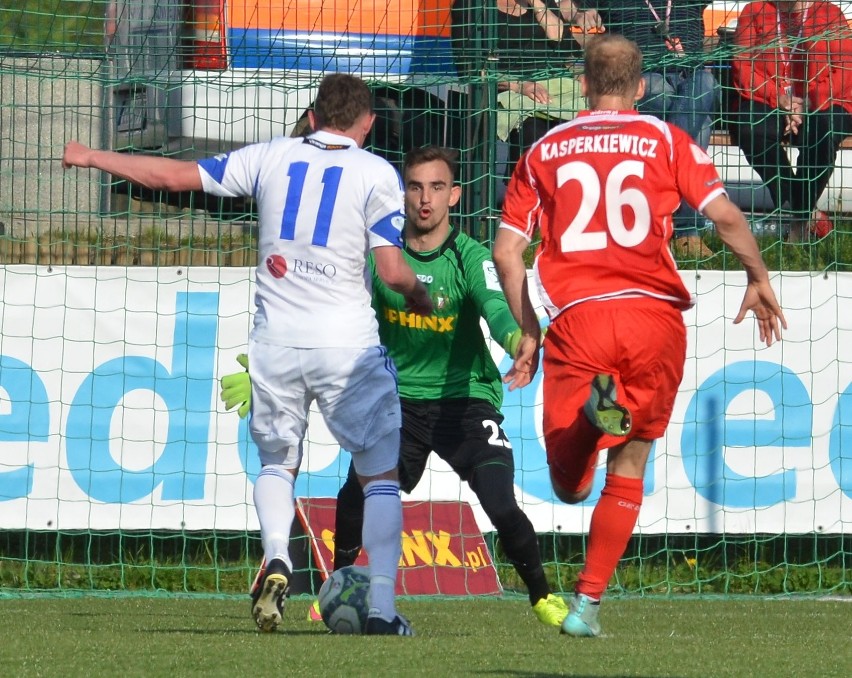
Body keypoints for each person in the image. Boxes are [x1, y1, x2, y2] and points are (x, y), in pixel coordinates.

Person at [64, 73, 433, 636]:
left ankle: (279, 557)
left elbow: (173, 175)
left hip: (276, 342)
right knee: (378, 475)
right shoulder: (375, 172)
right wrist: (418, 292)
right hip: (346, 347)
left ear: (311, 117)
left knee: (276, 464)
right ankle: (381, 612)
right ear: (368, 124)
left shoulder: (271, 156)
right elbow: (389, 269)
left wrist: (93, 156)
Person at [492, 34, 786, 637]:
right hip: (655, 316)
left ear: (584, 79)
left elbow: (506, 251)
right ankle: (587, 606)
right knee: (631, 461)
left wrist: (529, 327)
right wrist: (757, 277)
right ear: (644, 85)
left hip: (582, 316)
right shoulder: (665, 139)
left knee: (567, 487)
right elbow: (726, 214)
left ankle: (591, 418)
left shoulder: (545, 148)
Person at [223, 145, 570, 629]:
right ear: (401, 192)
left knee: (500, 501)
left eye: (437, 187)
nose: (425, 199)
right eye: (415, 186)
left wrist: (517, 340)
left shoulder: (468, 256)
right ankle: (337, 586)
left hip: (466, 403)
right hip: (398, 401)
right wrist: (261, 367)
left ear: (455, 195)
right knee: (355, 496)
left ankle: (542, 596)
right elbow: (326, 310)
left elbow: (495, 307)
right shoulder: (379, 256)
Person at [589, 0, 718, 258]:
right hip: (643, 76)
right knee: (695, 123)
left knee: (708, 83)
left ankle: (665, 175)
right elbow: (577, 12)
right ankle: (687, 231)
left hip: (688, 71)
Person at [728, 0, 852, 241]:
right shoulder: (755, 11)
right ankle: (807, 214)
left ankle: (797, 218)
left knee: (823, 128)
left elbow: (846, 70)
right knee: (750, 126)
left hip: (823, 101)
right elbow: (742, 67)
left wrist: (809, 101)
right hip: (769, 100)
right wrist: (780, 99)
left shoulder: (830, 13)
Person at [451, 0, 590, 179]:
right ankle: (525, 191)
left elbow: (566, 47)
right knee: (534, 132)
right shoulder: (470, 6)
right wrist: (519, 85)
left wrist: (537, 5)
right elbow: (469, 68)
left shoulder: (541, 3)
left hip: (558, 85)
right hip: (510, 90)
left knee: (588, 124)